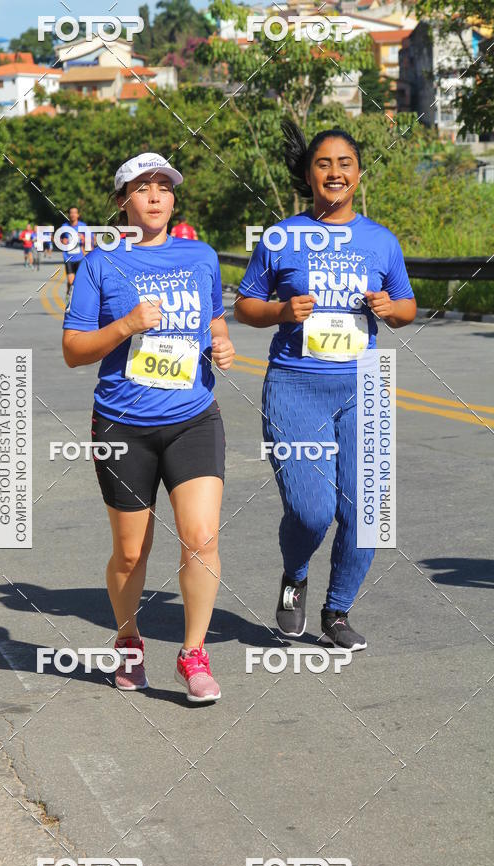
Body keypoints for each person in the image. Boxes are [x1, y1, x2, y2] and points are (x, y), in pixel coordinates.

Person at [235, 123, 416, 651]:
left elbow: (406, 307)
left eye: (345, 163)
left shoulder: (381, 240)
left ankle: (337, 611)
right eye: (323, 163)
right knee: (312, 510)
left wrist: (390, 308)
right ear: (309, 174)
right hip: (295, 386)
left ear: (358, 173)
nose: (335, 172)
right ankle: (295, 575)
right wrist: (280, 311)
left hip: (365, 388)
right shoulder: (281, 237)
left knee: (366, 512)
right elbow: (245, 305)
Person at [62, 152, 235, 702]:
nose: (156, 195)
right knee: (131, 552)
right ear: (123, 202)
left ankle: (193, 654)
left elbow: (214, 318)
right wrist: (127, 324)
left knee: (201, 538)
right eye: (142, 187)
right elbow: (73, 350)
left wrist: (222, 342)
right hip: (123, 425)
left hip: (193, 418)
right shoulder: (100, 264)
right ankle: (128, 641)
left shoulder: (201, 256)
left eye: (164, 186)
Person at [62, 206, 87, 298]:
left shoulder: (83, 226)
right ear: (69, 215)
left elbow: (90, 241)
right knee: (71, 281)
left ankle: (74, 297)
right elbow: (59, 240)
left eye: (75, 212)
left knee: (79, 281)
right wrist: (62, 241)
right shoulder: (64, 226)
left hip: (80, 257)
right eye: (71, 212)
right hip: (68, 257)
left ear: (78, 215)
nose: (73, 214)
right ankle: (69, 292)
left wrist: (84, 239)